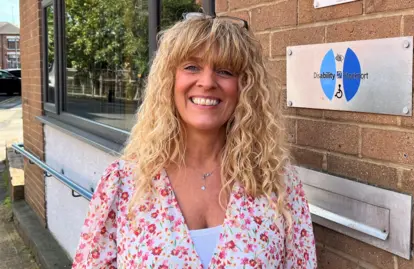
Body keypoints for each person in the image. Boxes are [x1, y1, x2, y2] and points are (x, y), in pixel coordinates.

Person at [72, 12, 317, 269]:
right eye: (192, 67)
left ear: (245, 87)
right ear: (169, 80)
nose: (207, 82)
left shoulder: (277, 184)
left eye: (224, 71)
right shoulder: (124, 183)